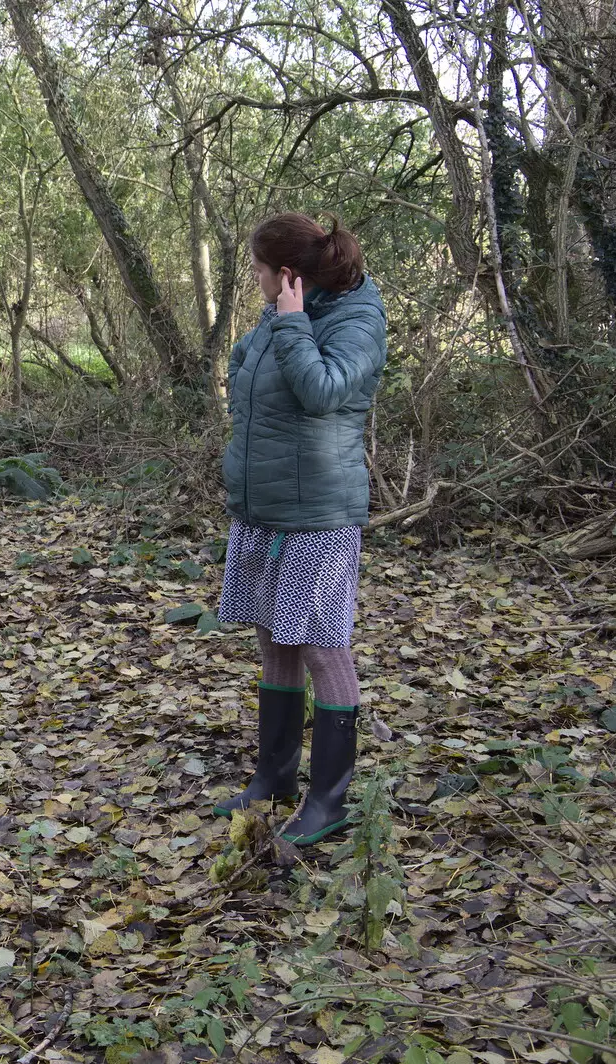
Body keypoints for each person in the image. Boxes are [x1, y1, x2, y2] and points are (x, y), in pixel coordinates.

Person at [213, 212, 387, 845]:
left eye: (259, 269)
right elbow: (247, 377)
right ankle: (275, 777)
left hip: (319, 512)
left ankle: (330, 801)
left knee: (320, 644)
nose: (253, 280)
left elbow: (322, 392)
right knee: (273, 637)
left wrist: (290, 325)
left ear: (288, 275)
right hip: (263, 505)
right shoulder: (281, 311)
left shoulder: (357, 320)